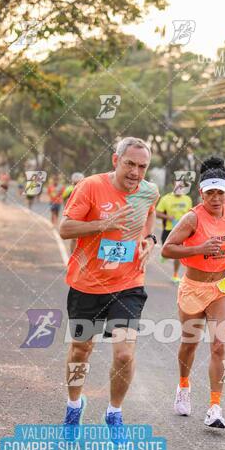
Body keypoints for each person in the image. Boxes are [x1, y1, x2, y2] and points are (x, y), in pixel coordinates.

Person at [59, 137, 159, 428]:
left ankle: (114, 412)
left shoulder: (149, 191)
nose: (135, 173)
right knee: (81, 349)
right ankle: (74, 403)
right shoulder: (90, 186)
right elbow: (65, 228)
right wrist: (102, 225)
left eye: (142, 167)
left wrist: (149, 240)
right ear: (116, 161)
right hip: (87, 283)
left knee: (125, 353)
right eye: (130, 164)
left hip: (128, 282)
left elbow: (149, 216)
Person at [162, 156, 225, 429]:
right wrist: (198, 249)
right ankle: (184, 387)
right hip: (193, 287)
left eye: (220, 193)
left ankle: (215, 407)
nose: (215, 198)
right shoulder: (192, 218)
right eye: (210, 193)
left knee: (219, 346)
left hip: (222, 287)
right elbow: (167, 249)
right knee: (190, 343)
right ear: (201, 192)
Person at [155, 180, 192, 283]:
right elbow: (157, 213)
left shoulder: (187, 199)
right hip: (168, 229)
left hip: (182, 231)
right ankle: (164, 254)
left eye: (181, 187)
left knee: (178, 253)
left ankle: (175, 275)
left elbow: (191, 213)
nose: (179, 189)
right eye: (177, 186)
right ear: (174, 187)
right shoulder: (166, 199)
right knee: (165, 249)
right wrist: (167, 217)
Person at [63, 172, 85, 254]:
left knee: (81, 238)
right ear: (72, 183)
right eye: (76, 183)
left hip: (84, 216)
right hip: (73, 215)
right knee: (74, 238)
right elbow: (64, 200)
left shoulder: (86, 190)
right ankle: (73, 254)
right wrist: (67, 211)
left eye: (80, 183)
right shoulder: (69, 190)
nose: (77, 185)